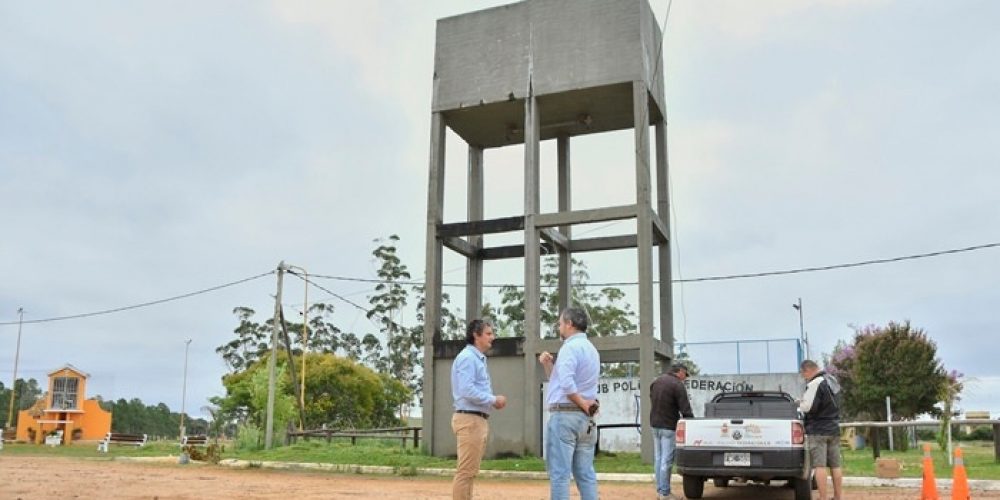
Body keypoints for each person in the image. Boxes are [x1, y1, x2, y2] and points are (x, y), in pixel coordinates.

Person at [538, 307, 601, 500]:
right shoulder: (592, 349)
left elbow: (566, 384)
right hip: (586, 420)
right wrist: (548, 365)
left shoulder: (569, 347)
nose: (559, 327)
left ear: (569, 324)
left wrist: (581, 403)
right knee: (585, 474)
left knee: (560, 474)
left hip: (565, 415)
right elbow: (561, 381)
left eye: (560, 323)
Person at [451, 319, 507, 500]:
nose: (493, 337)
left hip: (475, 419)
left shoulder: (476, 358)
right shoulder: (468, 358)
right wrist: (492, 399)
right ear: (476, 335)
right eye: (489, 333)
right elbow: (466, 390)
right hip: (470, 420)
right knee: (465, 472)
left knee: (469, 472)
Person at [799, 359, 843, 500]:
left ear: (808, 370)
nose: (804, 377)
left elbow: (807, 407)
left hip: (818, 430)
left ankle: (822, 497)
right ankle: (837, 496)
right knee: (836, 465)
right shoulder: (832, 381)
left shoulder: (815, 383)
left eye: (803, 374)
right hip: (834, 428)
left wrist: (799, 403)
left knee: (820, 466)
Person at [650, 364, 694, 500]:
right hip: (668, 426)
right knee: (666, 460)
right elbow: (685, 408)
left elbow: (652, 399)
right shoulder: (677, 385)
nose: (685, 378)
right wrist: (691, 422)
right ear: (680, 372)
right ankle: (665, 493)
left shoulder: (656, 382)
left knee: (658, 458)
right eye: (685, 375)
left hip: (655, 424)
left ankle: (660, 490)